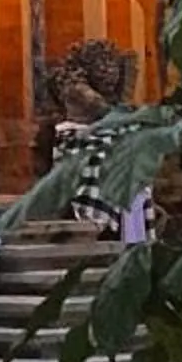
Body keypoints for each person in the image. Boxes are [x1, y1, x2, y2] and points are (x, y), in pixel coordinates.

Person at [49, 44, 150, 243]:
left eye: (112, 69)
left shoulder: (106, 85)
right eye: (103, 70)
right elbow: (107, 111)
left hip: (105, 133)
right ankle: (96, 213)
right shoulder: (75, 85)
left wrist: (128, 73)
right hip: (79, 137)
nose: (109, 76)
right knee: (103, 160)